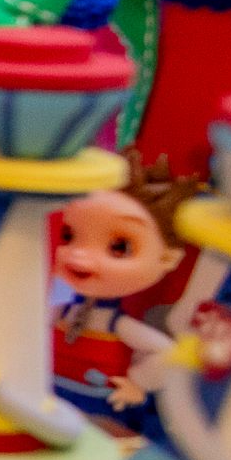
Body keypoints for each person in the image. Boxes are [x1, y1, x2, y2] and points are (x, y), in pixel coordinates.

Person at [51, 152, 202, 436]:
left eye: (119, 247)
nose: (79, 256)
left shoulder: (116, 324)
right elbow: (36, 324)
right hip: (48, 396)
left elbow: (168, 353)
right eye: (69, 235)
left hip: (97, 411)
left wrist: (139, 383)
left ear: (167, 259)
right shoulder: (63, 304)